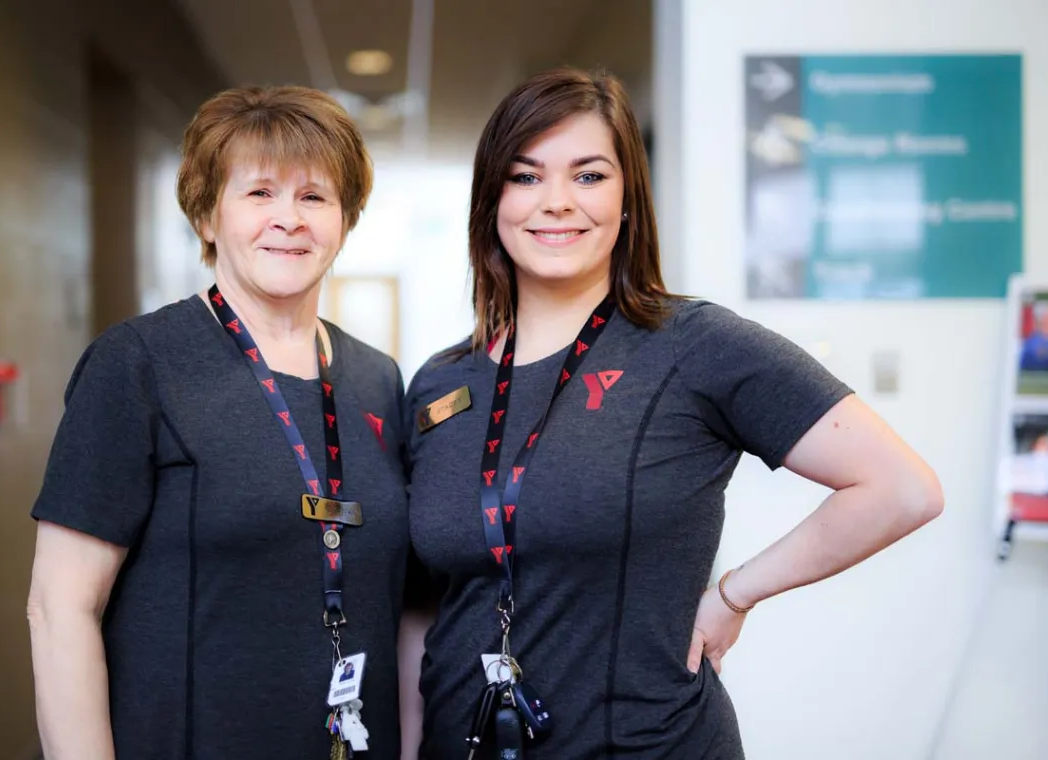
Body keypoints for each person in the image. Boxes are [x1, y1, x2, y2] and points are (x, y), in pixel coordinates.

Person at [399, 68, 944, 759]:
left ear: (629, 198)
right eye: (526, 176)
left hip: (645, 742)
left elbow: (902, 488)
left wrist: (736, 593)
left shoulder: (693, 346)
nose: (558, 202)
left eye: (590, 176)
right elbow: (425, 609)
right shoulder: (439, 382)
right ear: (492, 200)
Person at [26, 85, 410, 759]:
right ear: (207, 215)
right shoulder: (139, 364)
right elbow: (60, 608)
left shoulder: (379, 379)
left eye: (314, 197)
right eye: (259, 193)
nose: (288, 219)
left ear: (345, 220)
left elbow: (403, 605)